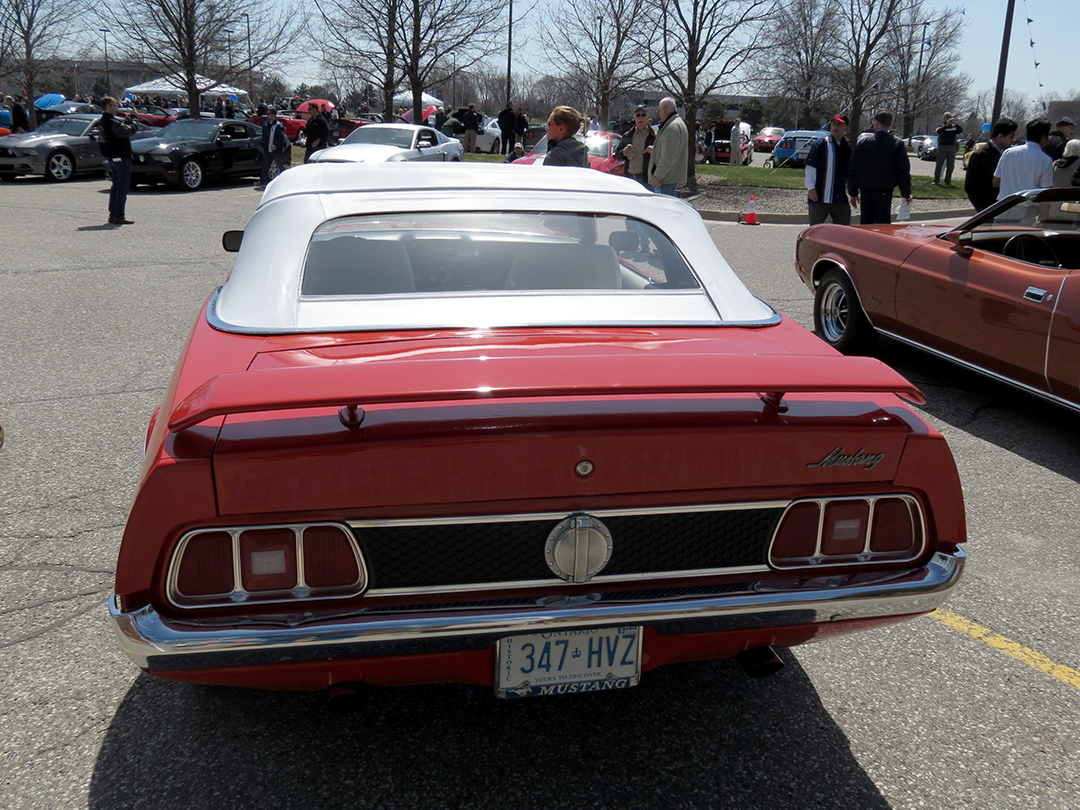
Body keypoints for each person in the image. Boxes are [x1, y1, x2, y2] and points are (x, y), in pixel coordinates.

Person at [847, 110, 912, 225]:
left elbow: (853, 168)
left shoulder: (863, 142)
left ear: (876, 123)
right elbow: (903, 171)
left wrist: (853, 192)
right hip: (885, 190)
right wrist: (906, 193)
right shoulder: (897, 143)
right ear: (889, 124)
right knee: (883, 224)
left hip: (866, 190)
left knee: (866, 224)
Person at [804, 114, 853, 225]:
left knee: (844, 229)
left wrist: (853, 192)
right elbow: (811, 166)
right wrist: (811, 188)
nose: (835, 127)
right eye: (834, 124)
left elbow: (850, 172)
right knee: (815, 230)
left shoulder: (847, 147)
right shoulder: (821, 144)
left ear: (846, 128)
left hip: (839, 197)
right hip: (819, 197)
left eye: (839, 125)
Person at [98, 97, 138, 225]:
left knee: (116, 186)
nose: (117, 107)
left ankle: (113, 214)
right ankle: (119, 215)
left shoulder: (103, 121)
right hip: (120, 156)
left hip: (112, 157)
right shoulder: (110, 121)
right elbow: (129, 131)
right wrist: (134, 119)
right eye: (115, 105)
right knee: (122, 187)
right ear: (108, 106)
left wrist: (126, 120)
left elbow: (119, 131)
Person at [964, 118, 1018, 211]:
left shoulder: (1012, 154)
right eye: (1011, 137)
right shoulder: (980, 155)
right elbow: (970, 186)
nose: (1013, 140)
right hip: (988, 209)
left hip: (1009, 207)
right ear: (1000, 136)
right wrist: (981, 208)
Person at [994, 118, 1053, 200]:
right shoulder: (1045, 160)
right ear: (1043, 137)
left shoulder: (1008, 153)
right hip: (1027, 207)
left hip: (1004, 205)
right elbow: (1045, 191)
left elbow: (996, 182)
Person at [648, 97, 688, 195]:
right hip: (670, 178)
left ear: (665, 109)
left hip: (665, 180)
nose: (659, 113)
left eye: (659, 109)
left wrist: (658, 176)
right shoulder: (678, 123)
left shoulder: (671, 128)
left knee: (663, 209)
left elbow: (668, 156)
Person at [616, 106, 654, 186]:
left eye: (643, 115)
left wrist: (654, 150)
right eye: (638, 115)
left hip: (646, 180)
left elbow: (662, 156)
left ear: (648, 117)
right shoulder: (627, 135)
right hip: (629, 179)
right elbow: (617, 155)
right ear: (634, 118)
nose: (640, 117)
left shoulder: (654, 137)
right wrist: (623, 153)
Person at [257, 107, 288, 188]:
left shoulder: (278, 125)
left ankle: (285, 180)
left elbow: (280, 138)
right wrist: (263, 147)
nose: (267, 115)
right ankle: (263, 181)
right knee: (265, 166)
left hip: (276, 151)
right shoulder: (266, 125)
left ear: (273, 115)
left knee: (280, 165)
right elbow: (264, 137)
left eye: (269, 114)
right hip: (268, 150)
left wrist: (276, 145)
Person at [933, 112, 963, 186]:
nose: (948, 118)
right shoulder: (941, 126)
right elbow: (939, 132)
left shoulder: (954, 127)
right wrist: (946, 125)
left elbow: (960, 130)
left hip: (951, 147)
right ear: (944, 118)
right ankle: (936, 180)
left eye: (949, 117)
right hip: (942, 147)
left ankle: (948, 181)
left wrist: (955, 123)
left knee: (951, 165)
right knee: (939, 164)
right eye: (947, 117)